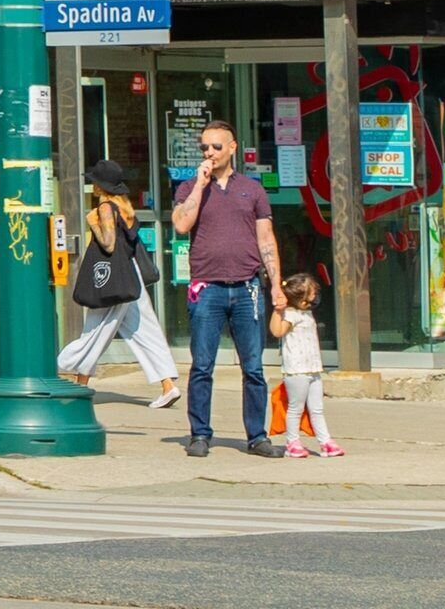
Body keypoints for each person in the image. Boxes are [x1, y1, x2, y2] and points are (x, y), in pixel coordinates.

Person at [169, 120, 285, 458]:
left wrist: (276, 285)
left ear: (233, 148)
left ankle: (257, 436)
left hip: (247, 286)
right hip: (207, 289)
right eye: (204, 147)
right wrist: (199, 187)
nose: (209, 153)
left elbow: (266, 239)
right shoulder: (189, 187)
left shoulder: (252, 189)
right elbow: (180, 224)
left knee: (253, 367)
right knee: (202, 364)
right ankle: (200, 434)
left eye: (216, 147)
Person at [58, 161, 179, 408]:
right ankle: (168, 385)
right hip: (129, 274)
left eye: (94, 181)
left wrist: (92, 223)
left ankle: (69, 374)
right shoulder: (126, 207)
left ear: (101, 185)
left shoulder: (105, 207)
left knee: (96, 329)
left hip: (112, 277)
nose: (91, 185)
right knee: (145, 330)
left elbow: (109, 243)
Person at [273, 270, 340, 456]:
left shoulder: (307, 313)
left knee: (317, 408)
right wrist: (278, 311)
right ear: (301, 297)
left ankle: (325, 441)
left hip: (314, 369)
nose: (315, 294)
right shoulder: (290, 315)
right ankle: (292, 442)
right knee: (296, 407)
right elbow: (277, 331)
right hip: (296, 370)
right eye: (312, 291)